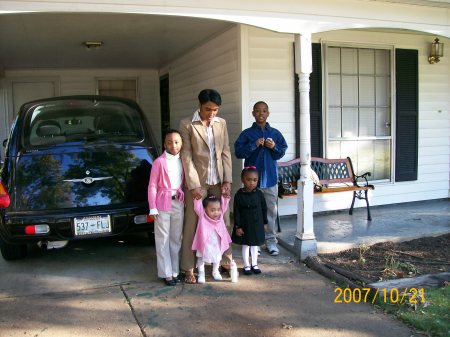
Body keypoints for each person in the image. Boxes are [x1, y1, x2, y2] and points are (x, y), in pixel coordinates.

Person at [179, 89, 233, 284]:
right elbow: (186, 155)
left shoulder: (221, 123)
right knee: (193, 224)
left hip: (218, 181)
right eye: (208, 109)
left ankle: (225, 262)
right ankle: (188, 268)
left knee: (223, 221)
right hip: (198, 183)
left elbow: (225, 152)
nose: (212, 114)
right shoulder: (187, 124)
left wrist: (227, 180)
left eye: (215, 110)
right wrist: (193, 185)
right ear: (199, 105)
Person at [234, 101, 287, 256]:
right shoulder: (247, 134)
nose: (261, 113)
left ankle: (271, 242)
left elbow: (281, 152)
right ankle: (254, 242)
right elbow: (239, 153)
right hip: (252, 183)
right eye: (257, 111)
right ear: (253, 113)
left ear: (268, 113)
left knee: (271, 212)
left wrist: (273, 147)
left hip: (270, 179)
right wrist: (254, 144)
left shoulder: (275, 133)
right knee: (252, 213)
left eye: (264, 111)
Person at [148, 129, 184, 286]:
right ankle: (166, 273)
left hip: (178, 202)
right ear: (164, 144)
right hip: (162, 203)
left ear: (181, 143)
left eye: (176, 142)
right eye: (169, 142)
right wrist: (153, 207)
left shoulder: (183, 161)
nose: (173, 145)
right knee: (163, 238)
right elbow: (152, 186)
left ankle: (175, 270)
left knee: (176, 238)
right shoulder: (159, 162)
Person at [232, 167, 267, 275]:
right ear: (243, 179)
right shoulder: (239, 195)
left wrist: (265, 223)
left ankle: (254, 264)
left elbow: (264, 209)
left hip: (256, 224)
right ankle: (246, 265)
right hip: (244, 224)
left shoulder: (259, 194)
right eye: (249, 180)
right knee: (246, 245)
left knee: (255, 245)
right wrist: (238, 226)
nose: (252, 182)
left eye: (255, 180)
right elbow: (236, 211)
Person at [192, 195, 232, 283]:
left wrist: (225, 197)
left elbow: (225, 204)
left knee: (217, 257)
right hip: (204, 243)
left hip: (216, 243)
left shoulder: (220, 216)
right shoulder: (202, 215)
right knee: (201, 257)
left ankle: (215, 271)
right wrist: (197, 199)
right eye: (212, 210)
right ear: (205, 209)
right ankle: (201, 273)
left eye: (218, 209)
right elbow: (197, 207)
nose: (216, 212)